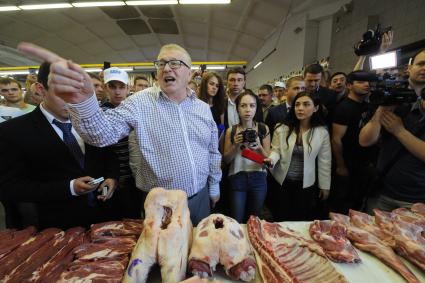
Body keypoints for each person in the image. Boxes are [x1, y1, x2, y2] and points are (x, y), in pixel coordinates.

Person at [18, 42, 222, 226]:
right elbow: (101, 135)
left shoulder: (202, 108)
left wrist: (214, 187)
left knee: (198, 255)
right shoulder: (140, 103)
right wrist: (84, 102)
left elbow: (212, 151)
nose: (166, 68)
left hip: (200, 197)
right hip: (160, 203)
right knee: (166, 259)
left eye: (175, 63)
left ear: (190, 72)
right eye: (161, 63)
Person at [0, 62, 119, 230]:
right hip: (55, 227)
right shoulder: (12, 132)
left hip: (102, 220)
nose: (73, 101)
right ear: (41, 90)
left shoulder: (94, 122)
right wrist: (69, 188)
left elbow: (108, 154)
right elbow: (10, 188)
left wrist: (112, 178)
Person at [359, 48, 425, 212]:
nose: (424, 68)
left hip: (417, 199)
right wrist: (382, 110)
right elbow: (365, 140)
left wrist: (399, 131)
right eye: (421, 64)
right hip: (382, 192)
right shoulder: (389, 95)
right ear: (408, 68)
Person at [265, 91, 331, 221]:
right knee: (281, 217)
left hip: (305, 184)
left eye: (306, 104)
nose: (300, 108)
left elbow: (325, 161)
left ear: (316, 108)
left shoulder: (321, 132)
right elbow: (276, 150)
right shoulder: (282, 128)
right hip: (282, 181)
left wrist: (325, 185)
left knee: (300, 218)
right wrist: (271, 159)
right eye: (297, 105)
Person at [330, 71, 375, 213]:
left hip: (365, 163)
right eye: (360, 82)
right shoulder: (344, 108)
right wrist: (341, 165)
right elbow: (336, 139)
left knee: (357, 203)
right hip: (348, 163)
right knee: (343, 204)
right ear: (349, 86)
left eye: (367, 82)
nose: (366, 85)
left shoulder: (367, 106)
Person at [223, 90, 270, 223]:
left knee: (254, 220)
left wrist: (259, 148)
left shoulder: (263, 129)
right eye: (243, 106)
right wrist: (236, 145)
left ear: (256, 108)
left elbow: (268, 160)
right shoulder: (231, 131)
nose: (248, 110)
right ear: (237, 109)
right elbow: (226, 160)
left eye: (252, 105)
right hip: (237, 177)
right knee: (236, 219)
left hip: (259, 178)